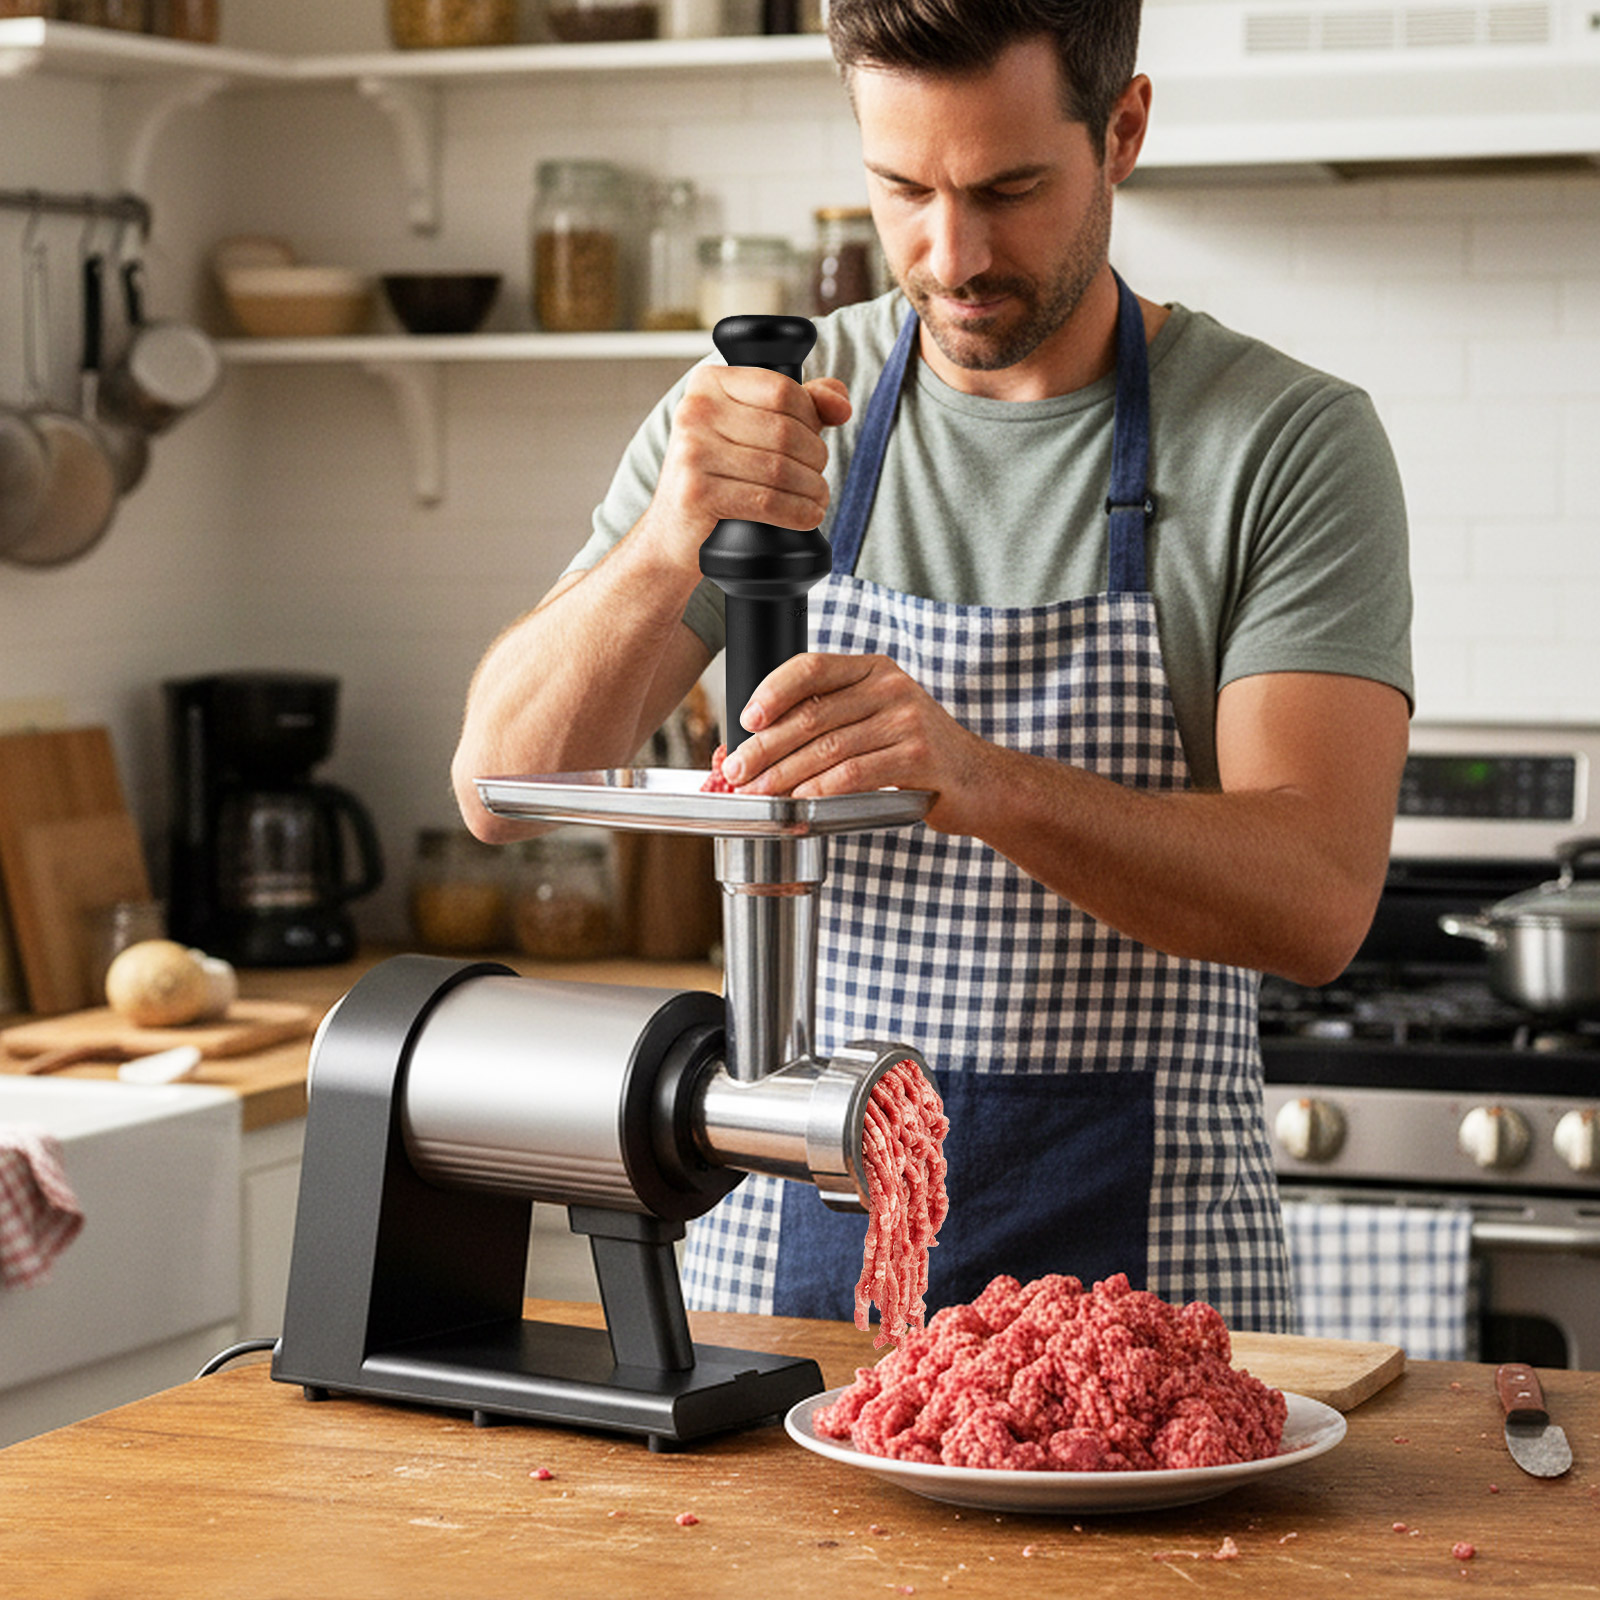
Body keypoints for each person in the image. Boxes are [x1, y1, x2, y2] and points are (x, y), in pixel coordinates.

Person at [452, 0, 1413, 1334]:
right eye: (903, 187)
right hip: (790, 1276)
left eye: (1009, 189)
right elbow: (501, 788)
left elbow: (1316, 900)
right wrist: (672, 540)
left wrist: (975, 777)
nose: (950, 255)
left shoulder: (1285, 445)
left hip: (1142, 1300)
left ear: (1122, 130)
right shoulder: (772, 419)